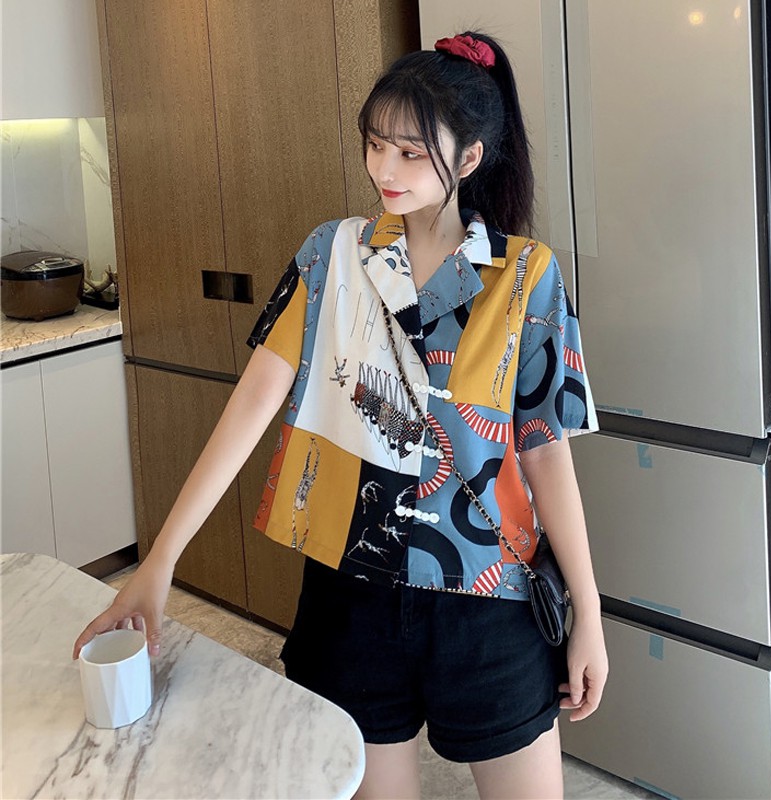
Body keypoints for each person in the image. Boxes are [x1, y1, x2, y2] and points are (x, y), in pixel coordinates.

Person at [74, 31, 608, 799]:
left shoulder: (527, 275)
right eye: (375, 145)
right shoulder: (333, 255)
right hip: (350, 595)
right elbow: (252, 404)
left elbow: (544, 451)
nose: (384, 169)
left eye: (410, 153)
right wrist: (159, 562)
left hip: (488, 600)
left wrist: (588, 610)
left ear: (468, 158)